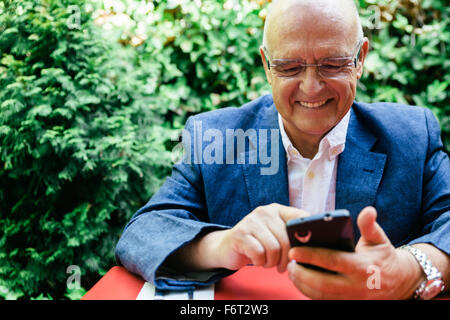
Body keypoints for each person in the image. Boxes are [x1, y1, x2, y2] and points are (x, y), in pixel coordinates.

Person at [115, 0, 450, 299]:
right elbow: (143, 233)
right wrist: (224, 244)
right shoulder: (214, 137)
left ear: (359, 59)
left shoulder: (412, 136)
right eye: (289, 67)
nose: (311, 87)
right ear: (266, 65)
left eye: (332, 64)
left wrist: (409, 270)